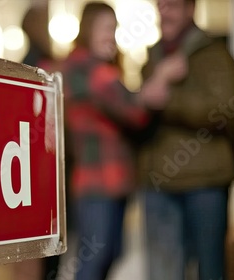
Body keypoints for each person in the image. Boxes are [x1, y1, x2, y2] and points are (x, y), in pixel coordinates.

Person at [64, 2, 181, 279]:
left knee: (107, 256)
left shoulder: (83, 68)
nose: (111, 37)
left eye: (114, 30)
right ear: (88, 30)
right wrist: (162, 75)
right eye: (105, 29)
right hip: (99, 181)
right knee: (94, 262)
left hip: (105, 181)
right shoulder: (93, 71)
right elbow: (135, 112)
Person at [139, 0, 234, 279]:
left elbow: (223, 109)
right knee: (163, 271)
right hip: (159, 181)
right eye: (160, 5)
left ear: (190, 10)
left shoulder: (214, 53)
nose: (164, 11)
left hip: (205, 181)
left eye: (172, 5)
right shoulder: (153, 55)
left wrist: (168, 98)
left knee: (209, 268)